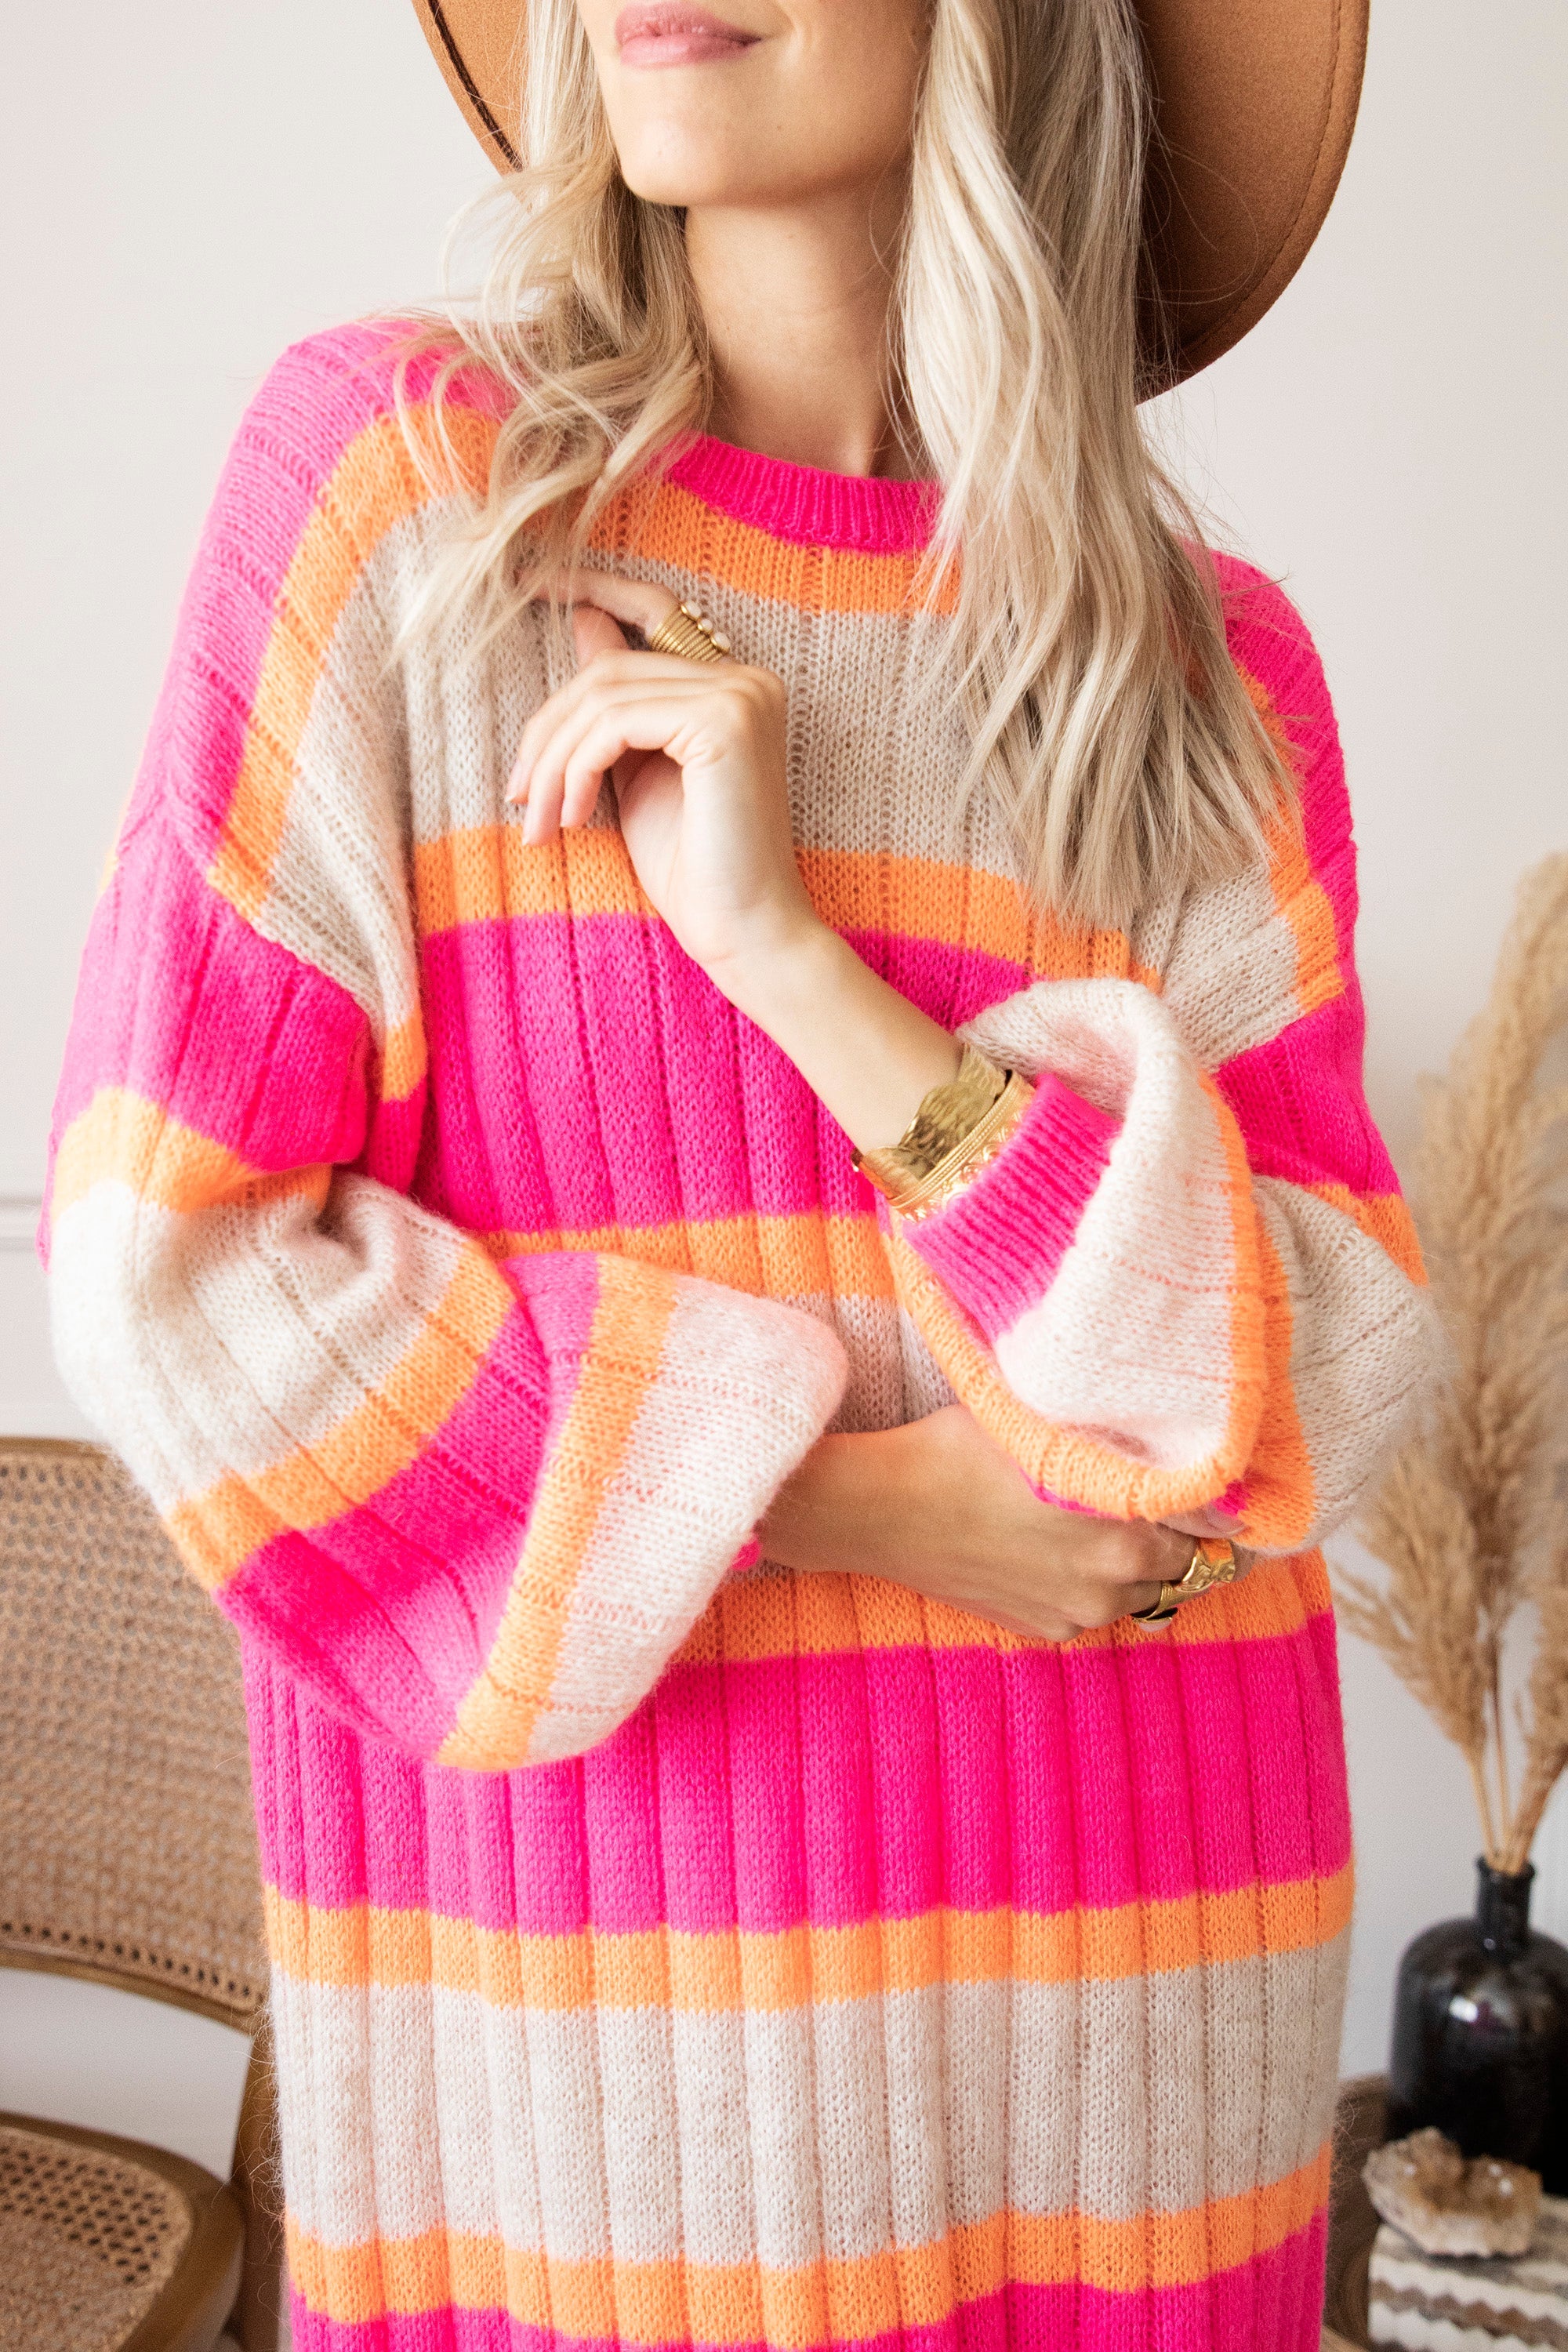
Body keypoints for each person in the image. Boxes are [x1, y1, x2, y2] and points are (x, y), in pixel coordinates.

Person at [43, 0, 1438, 2342]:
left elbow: (1323, 1386)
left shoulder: (1209, 675)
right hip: (622, 2084)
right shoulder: (409, 496)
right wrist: (867, 1503)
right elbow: (173, 1272)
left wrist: (799, 968)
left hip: (1140, 2027)